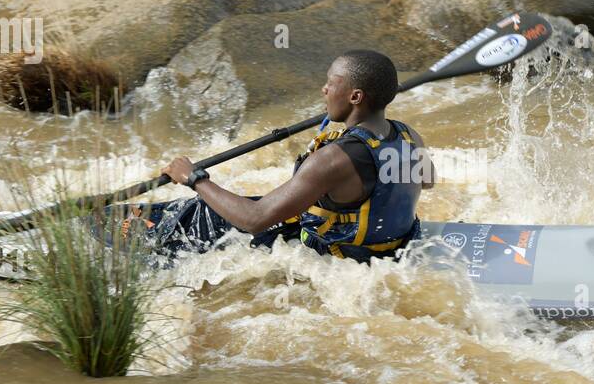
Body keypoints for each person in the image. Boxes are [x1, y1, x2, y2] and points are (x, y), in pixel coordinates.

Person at [144, 49, 435, 263]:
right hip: (390, 250)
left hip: (334, 258)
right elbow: (428, 181)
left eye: (331, 83)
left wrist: (193, 177)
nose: (324, 89)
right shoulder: (408, 135)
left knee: (202, 211)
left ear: (355, 97)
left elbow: (255, 219)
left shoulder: (334, 159)